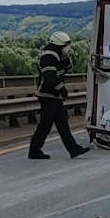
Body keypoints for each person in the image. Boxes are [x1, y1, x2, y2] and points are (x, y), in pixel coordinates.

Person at [29, 31, 91, 159]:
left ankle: (73, 149)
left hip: (54, 95)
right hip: (48, 95)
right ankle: (34, 151)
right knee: (46, 125)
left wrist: (66, 59)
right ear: (59, 44)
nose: (67, 47)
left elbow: (65, 68)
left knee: (62, 123)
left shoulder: (56, 55)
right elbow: (50, 77)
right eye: (66, 45)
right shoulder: (49, 57)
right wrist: (62, 89)